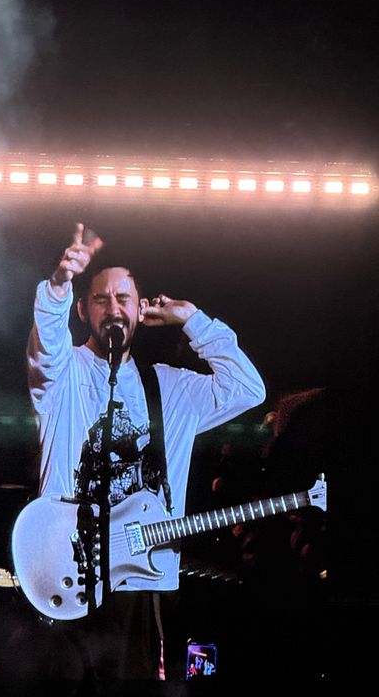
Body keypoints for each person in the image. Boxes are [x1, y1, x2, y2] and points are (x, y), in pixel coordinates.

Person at [24, 222, 266, 687]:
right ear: (82, 310)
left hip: (142, 581)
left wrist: (193, 319)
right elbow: (47, 339)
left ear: (140, 310)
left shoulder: (171, 387)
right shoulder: (63, 374)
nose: (113, 309)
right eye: (101, 299)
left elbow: (248, 389)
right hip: (63, 572)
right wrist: (57, 284)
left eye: (123, 299)